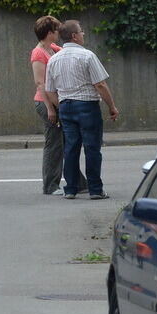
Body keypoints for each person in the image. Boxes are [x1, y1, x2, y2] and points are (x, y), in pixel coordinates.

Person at [45, 20, 119, 200]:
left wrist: (61, 104)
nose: (83, 34)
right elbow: (100, 84)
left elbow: (49, 89)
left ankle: (71, 188)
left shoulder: (54, 59)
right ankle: (95, 189)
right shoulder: (87, 56)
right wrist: (112, 106)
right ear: (74, 36)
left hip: (66, 106)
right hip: (87, 106)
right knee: (92, 147)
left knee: (71, 148)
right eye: (81, 31)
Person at [29, 15, 86, 195]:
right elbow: (40, 83)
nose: (59, 32)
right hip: (46, 103)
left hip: (57, 101)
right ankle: (51, 185)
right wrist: (50, 108)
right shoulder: (38, 53)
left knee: (66, 142)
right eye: (56, 30)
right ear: (49, 33)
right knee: (54, 144)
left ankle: (78, 182)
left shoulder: (53, 48)